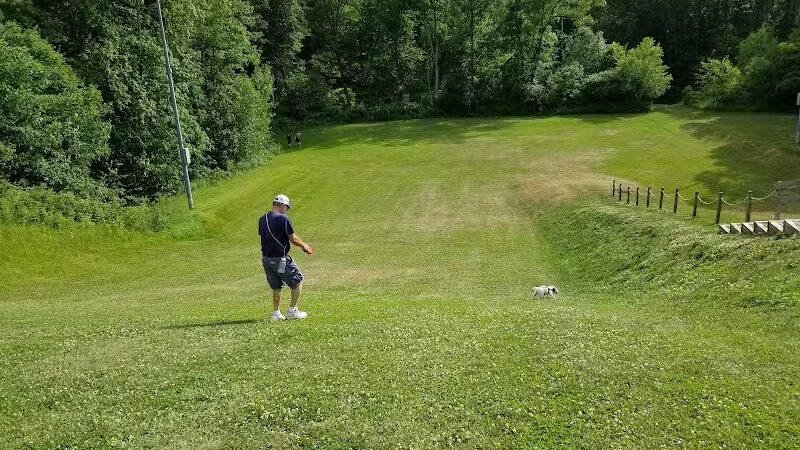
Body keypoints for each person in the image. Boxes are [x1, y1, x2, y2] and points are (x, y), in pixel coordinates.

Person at [259, 194, 313, 321]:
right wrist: (304, 246)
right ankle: (292, 311)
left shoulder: (262, 219)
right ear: (282, 206)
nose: (286, 210)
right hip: (280, 259)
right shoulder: (283, 218)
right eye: (286, 207)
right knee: (297, 281)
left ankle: (276, 314)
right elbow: (293, 239)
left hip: (266, 259)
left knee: (276, 286)